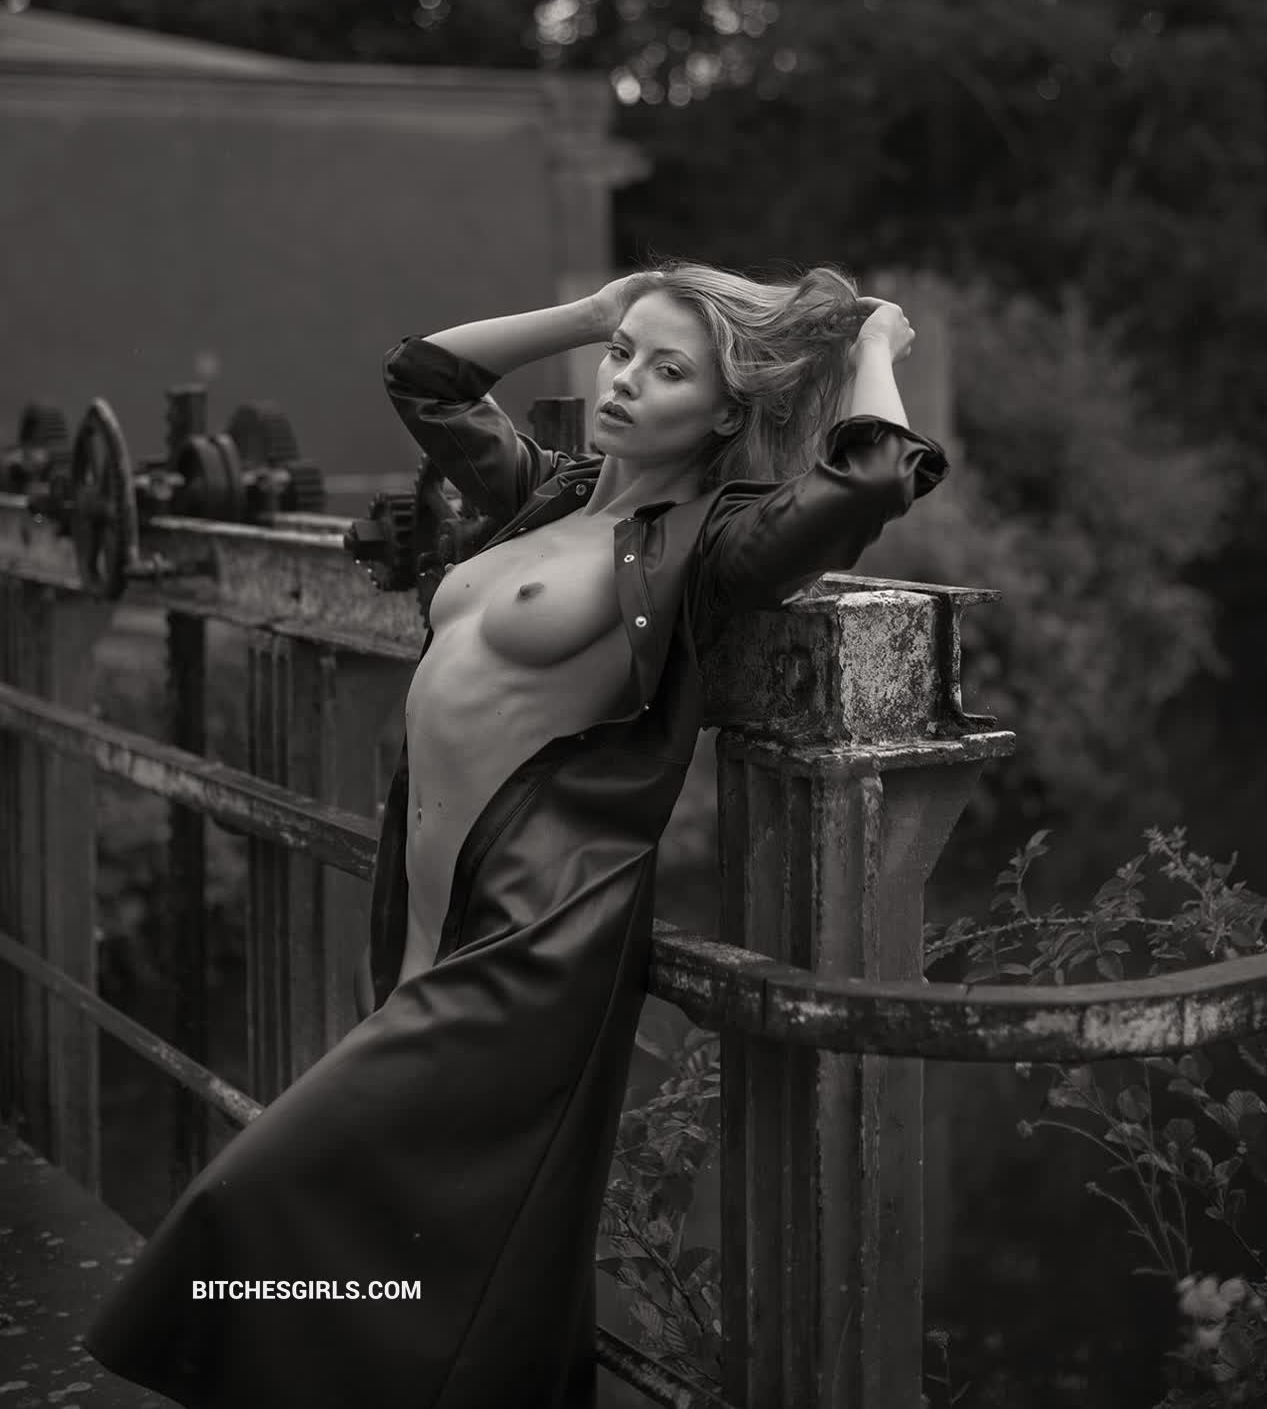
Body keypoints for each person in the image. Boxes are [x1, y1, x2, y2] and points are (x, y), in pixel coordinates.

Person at [83, 258, 949, 1409]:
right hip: (426, 915)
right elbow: (426, 377)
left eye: (667, 370)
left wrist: (872, 344)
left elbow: (874, 474)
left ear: (724, 413)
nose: (624, 379)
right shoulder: (547, 493)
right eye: (622, 356)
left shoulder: (711, 541)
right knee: (433, 1242)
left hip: (531, 941)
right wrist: (595, 309)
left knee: (251, 1208)